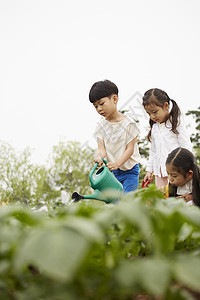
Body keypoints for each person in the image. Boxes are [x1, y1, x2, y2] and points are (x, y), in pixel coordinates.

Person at [89, 79, 141, 193]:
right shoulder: (101, 126)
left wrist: (117, 164)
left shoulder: (129, 124)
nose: (99, 109)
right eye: (95, 106)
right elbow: (101, 150)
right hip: (112, 172)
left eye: (101, 104)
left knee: (127, 202)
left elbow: (130, 149)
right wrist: (98, 157)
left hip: (130, 171)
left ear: (114, 99)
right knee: (114, 203)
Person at [142, 88, 192, 188]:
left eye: (155, 112)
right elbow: (153, 152)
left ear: (165, 106)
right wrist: (149, 170)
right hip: (159, 173)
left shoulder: (176, 123)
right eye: (148, 113)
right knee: (162, 199)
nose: (152, 116)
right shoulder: (154, 128)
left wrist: (185, 166)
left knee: (176, 199)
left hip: (175, 172)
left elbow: (186, 146)